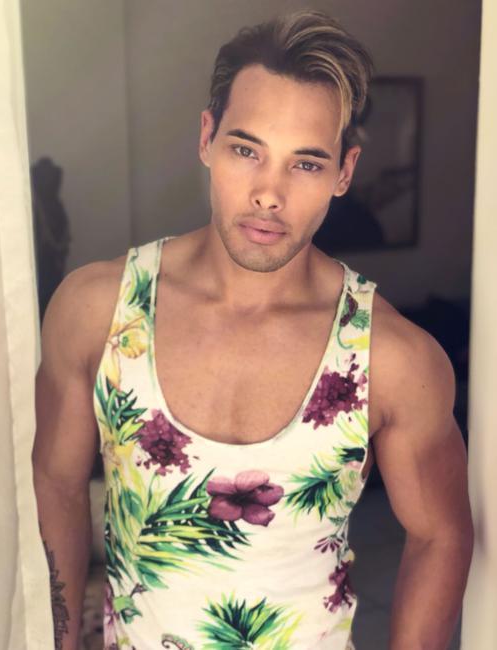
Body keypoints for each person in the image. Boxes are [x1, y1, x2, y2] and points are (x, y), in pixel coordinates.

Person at [32, 9, 473, 650]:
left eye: (306, 164)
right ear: (207, 139)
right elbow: (57, 482)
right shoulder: (96, 310)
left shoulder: (392, 356)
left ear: (344, 172)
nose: (269, 194)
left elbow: (441, 535)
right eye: (246, 150)